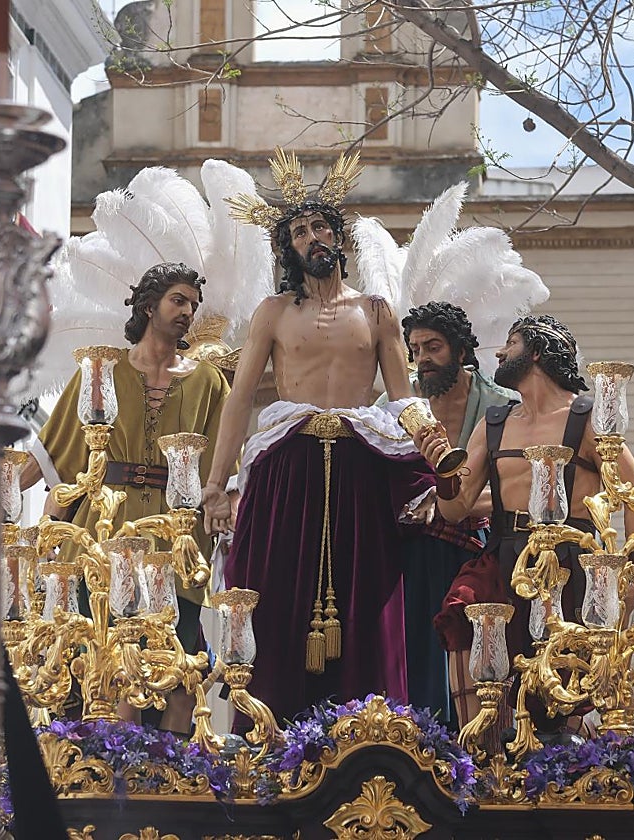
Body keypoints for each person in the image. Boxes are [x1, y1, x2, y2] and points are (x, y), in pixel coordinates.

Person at [201, 151, 434, 725]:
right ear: (288, 248)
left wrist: (433, 453)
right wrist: (216, 485)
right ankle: (269, 728)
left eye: (321, 226)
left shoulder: (377, 312)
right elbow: (238, 399)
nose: (313, 237)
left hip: (360, 465)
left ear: (339, 236)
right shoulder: (274, 313)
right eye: (300, 231)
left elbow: (403, 398)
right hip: (287, 467)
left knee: (368, 596)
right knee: (275, 594)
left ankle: (369, 730)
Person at [415, 314, 634, 736]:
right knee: (463, 607)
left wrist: (631, 578)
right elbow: (456, 510)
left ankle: (564, 758)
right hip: (504, 553)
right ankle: (479, 746)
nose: (501, 352)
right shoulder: (495, 422)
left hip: (570, 558)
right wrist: (443, 470)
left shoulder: (586, 420)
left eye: (511, 343)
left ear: (538, 353)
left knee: (561, 681)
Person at [21, 262, 230, 734]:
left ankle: (169, 769)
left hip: (175, 539)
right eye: (178, 300)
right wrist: (35, 536)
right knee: (96, 655)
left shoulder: (208, 382)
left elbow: (218, 470)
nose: (186, 312)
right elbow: (60, 457)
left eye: (192, 306)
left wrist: (221, 512)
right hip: (102, 530)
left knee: (175, 666)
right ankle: (104, 753)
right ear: (149, 304)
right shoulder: (101, 368)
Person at [376, 302, 516, 726]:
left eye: (433, 347)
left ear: (460, 350)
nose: (422, 359)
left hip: (480, 549)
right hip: (413, 552)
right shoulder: (396, 404)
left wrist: (455, 503)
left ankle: (478, 742)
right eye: (415, 349)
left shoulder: (502, 405)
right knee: (417, 651)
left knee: (479, 656)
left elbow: (515, 485)